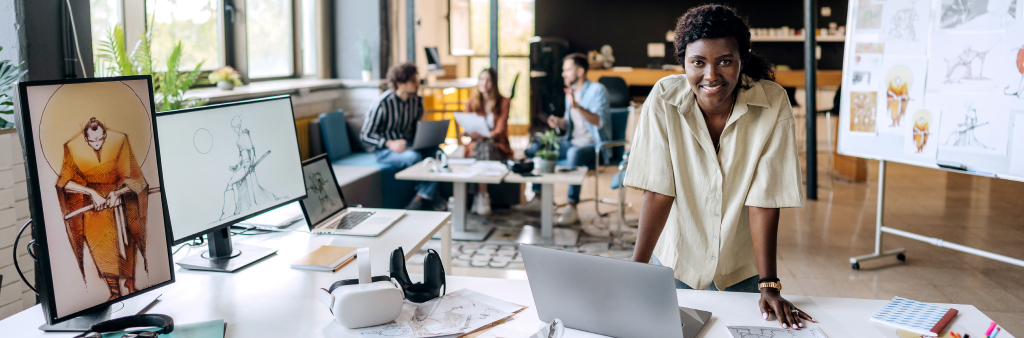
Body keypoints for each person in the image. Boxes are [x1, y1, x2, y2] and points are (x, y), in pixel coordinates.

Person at [625, 5, 814, 329]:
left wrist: (769, 284)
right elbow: (658, 190)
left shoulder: (772, 103)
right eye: (698, 62)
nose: (711, 75)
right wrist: (635, 273)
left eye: (725, 61)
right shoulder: (663, 99)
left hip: (740, 270)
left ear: (743, 58)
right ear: (683, 61)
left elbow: (764, 199)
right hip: (676, 264)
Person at [57, 118, 151, 301]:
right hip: (93, 208)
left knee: (126, 242)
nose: (96, 144)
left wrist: (119, 193)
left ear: (105, 135)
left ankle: (131, 284)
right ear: (85, 138)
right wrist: (90, 192)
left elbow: (134, 177)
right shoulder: (71, 147)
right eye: (92, 141)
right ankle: (114, 293)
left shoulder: (120, 140)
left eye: (100, 139)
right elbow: (64, 183)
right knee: (102, 249)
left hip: (120, 201)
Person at [519, 53, 611, 228]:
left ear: (581, 71)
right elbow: (573, 124)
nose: (563, 74)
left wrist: (576, 106)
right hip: (572, 141)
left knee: (573, 152)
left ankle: (572, 205)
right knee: (537, 145)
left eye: (567, 70)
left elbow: (599, 122)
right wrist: (561, 122)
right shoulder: (572, 91)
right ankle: (538, 197)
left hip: (593, 146)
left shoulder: (598, 91)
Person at [360, 62, 443, 210]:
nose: (417, 84)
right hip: (386, 151)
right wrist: (389, 143)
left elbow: (415, 128)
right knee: (413, 157)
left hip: (409, 145)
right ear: (399, 83)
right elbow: (365, 135)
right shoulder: (383, 103)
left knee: (438, 153)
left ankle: (422, 196)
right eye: (413, 81)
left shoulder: (417, 102)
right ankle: (425, 197)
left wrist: (425, 138)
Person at [463, 68, 512, 216]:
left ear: (494, 83)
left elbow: (500, 130)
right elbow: (468, 127)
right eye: (481, 79)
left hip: (496, 145)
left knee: (484, 146)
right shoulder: (471, 103)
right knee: (480, 146)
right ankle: (482, 196)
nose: (484, 83)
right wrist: (468, 132)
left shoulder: (503, 102)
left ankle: (479, 195)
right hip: (476, 145)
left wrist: (484, 136)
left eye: (488, 80)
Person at [219, 115, 279, 220]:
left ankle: (227, 212)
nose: (233, 129)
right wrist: (236, 165)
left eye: (234, 127)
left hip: (247, 165)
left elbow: (251, 150)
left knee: (230, 184)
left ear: (238, 125)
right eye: (233, 127)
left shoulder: (245, 135)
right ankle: (231, 210)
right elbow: (240, 154)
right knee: (233, 184)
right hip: (242, 164)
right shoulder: (239, 137)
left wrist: (251, 165)